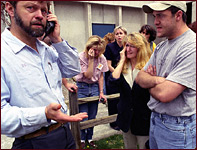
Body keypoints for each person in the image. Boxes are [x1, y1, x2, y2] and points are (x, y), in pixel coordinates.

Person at [1, 1, 88, 149]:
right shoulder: (4, 53)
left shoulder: (47, 49)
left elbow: (73, 69)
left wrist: (57, 40)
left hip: (65, 133)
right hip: (33, 141)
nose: (40, 16)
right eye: (31, 8)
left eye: (44, 10)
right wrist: (44, 114)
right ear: (10, 9)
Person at [136, 1, 196, 149]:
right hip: (156, 119)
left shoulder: (191, 46)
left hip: (177, 127)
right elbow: (139, 77)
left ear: (178, 15)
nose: (155, 22)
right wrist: (158, 80)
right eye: (155, 16)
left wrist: (149, 83)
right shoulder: (162, 46)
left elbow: (165, 94)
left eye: (161, 16)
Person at [108, 33, 152, 149]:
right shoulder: (123, 66)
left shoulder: (148, 67)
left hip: (144, 120)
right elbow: (112, 84)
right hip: (126, 118)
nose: (128, 49)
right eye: (126, 45)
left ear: (140, 47)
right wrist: (122, 60)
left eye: (132, 46)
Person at [74, 35, 109, 148]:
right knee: (84, 115)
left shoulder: (102, 58)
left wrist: (101, 92)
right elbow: (88, 75)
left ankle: (90, 137)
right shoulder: (81, 57)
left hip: (94, 87)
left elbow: (101, 76)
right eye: (94, 49)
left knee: (92, 115)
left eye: (98, 50)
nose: (96, 52)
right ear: (88, 47)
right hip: (82, 86)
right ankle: (82, 139)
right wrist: (91, 60)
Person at [104, 26, 127, 130]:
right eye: (117, 34)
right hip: (113, 77)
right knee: (113, 100)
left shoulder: (127, 46)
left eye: (121, 33)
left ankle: (122, 120)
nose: (119, 36)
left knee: (123, 99)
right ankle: (113, 123)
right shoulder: (110, 47)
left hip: (125, 76)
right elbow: (108, 65)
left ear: (125, 34)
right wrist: (117, 73)